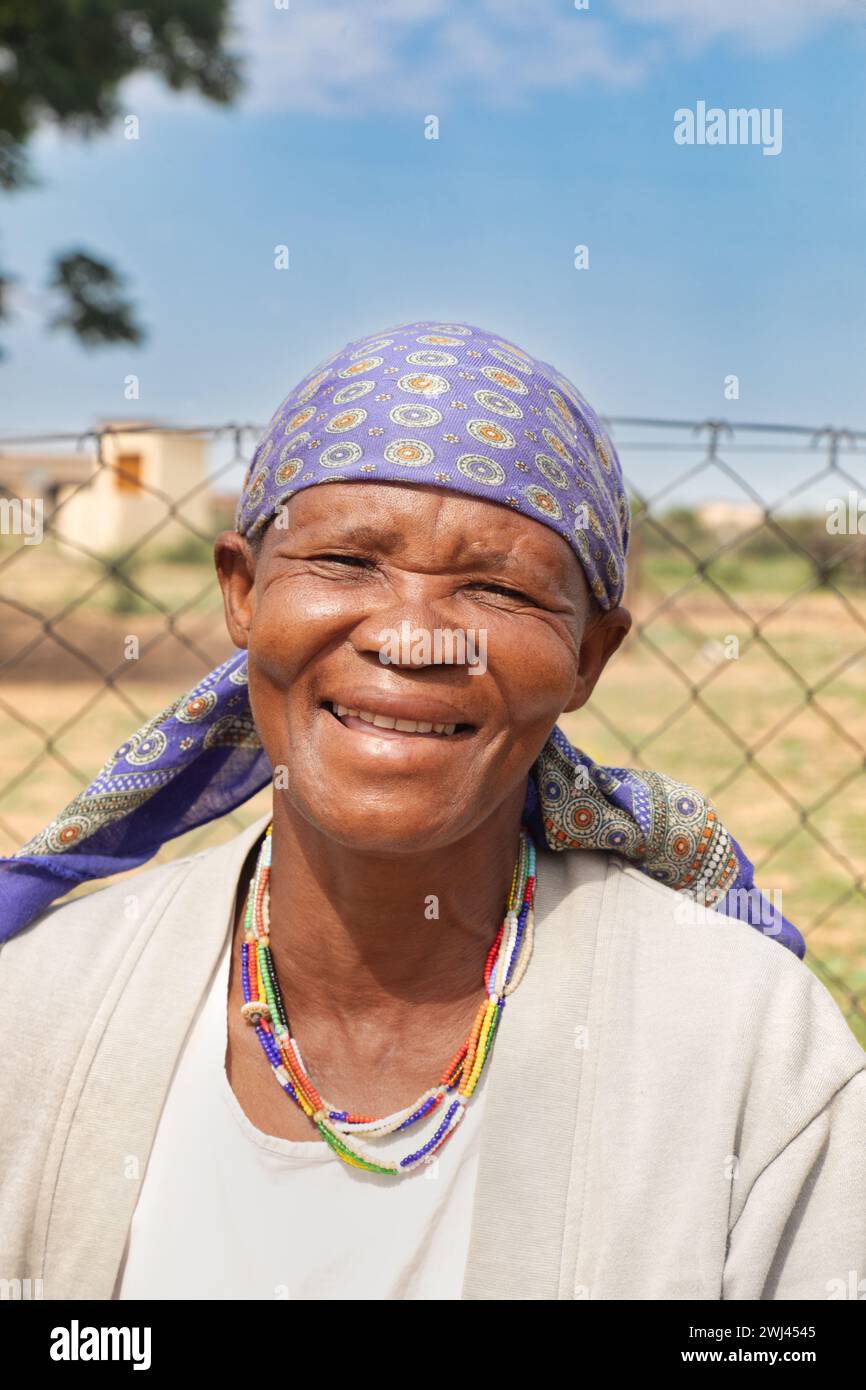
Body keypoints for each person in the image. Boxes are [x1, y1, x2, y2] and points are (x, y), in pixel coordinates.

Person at [0, 320, 863, 1302]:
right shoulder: (42, 1002)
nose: (413, 638)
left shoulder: (741, 1045)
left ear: (588, 656)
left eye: (495, 588)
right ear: (243, 593)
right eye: (345, 562)